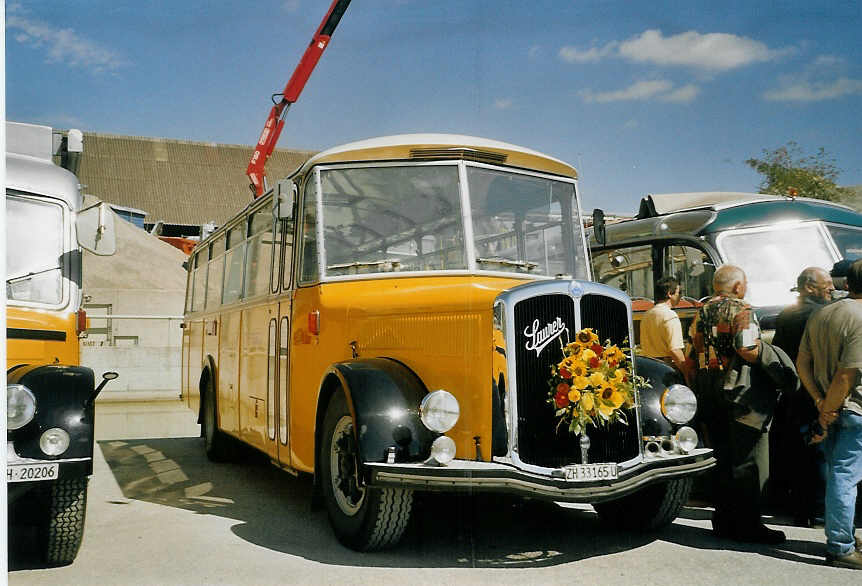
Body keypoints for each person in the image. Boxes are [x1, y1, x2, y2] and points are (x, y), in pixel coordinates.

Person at [689, 264, 785, 544]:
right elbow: (747, 348)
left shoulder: (702, 311)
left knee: (722, 456)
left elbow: (693, 352)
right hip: (740, 395)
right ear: (739, 286)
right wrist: (772, 363)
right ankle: (748, 525)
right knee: (749, 460)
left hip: (710, 393)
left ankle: (723, 520)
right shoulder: (743, 310)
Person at [797, 259, 862, 570]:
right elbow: (847, 375)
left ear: (846, 284)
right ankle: (841, 545)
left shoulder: (822, 313)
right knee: (845, 477)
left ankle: (844, 535)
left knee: (840, 474)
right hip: (851, 409)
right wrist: (829, 408)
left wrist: (819, 402)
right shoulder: (860, 316)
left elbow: (802, 362)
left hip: (832, 407)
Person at [771, 267, 833, 523]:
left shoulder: (786, 313)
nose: (831, 287)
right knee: (818, 449)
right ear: (809, 286)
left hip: (792, 391)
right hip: (815, 390)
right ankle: (817, 509)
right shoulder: (821, 314)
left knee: (798, 450)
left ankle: (798, 505)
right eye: (826, 284)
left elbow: (777, 349)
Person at [640, 276, 688, 380]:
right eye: (679, 293)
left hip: (648, 369)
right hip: (666, 371)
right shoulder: (670, 316)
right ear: (669, 294)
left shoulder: (647, 315)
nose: (681, 297)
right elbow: (675, 350)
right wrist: (687, 373)